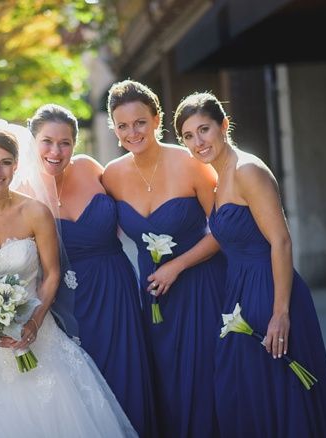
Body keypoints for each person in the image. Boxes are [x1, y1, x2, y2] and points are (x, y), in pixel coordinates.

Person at [0, 121, 136, 437]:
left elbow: (52, 274)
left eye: (6, 162)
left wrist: (32, 323)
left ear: (16, 165)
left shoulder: (35, 212)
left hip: (36, 328)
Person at [174, 92, 326, 437]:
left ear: (224, 125)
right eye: (188, 136)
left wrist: (280, 313)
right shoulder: (219, 178)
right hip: (238, 290)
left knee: (281, 394)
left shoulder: (248, 171)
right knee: (243, 391)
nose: (197, 142)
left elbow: (280, 241)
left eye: (204, 129)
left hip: (270, 291)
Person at [102, 80, 225, 437]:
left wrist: (177, 264)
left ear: (157, 120)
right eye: (122, 126)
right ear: (114, 129)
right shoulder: (111, 175)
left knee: (202, 379)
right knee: (166, 381)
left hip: (201, 286)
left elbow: (222, 231)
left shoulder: (192, 164)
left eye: (140, 122)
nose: (132, 132)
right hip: (152, 296)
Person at [29, 104, 157, 437]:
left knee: (126, 374)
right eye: (47, 142)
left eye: (65, 143)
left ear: (75, 144)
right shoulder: (24, 192)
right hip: (68, 304)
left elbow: (138, 201)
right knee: (85, 391)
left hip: (117, 291)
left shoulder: (90, 168)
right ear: (33, 141)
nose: (56, 151)